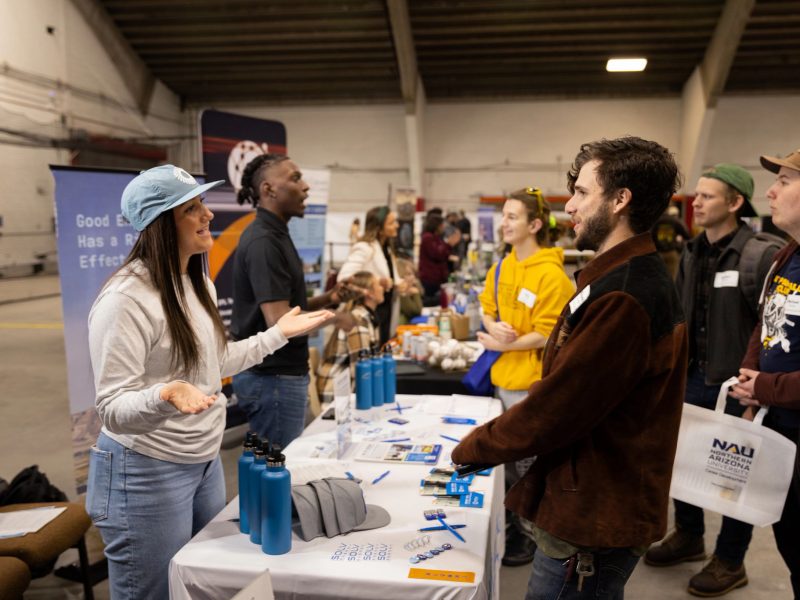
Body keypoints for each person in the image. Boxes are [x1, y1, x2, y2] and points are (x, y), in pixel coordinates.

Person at [451, 136, 688, 599]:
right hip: (588, 495)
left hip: (594, 514)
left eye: (582, 192)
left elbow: (560, 406)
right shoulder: (615, 276)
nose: (570, 207)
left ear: (620, 200)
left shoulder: (624, 294)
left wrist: (473, 449)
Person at [85, 165, 332, 599]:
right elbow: (112, 408)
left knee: (204, 582)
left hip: (202, 460)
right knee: (153, 593)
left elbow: (216, 361)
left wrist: (279, 334)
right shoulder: (124, 300)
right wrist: (166, 394)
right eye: (193, 208)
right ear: (161, 224)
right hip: (143, 470)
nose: (208, 215)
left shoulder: (196, 280)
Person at [645, 164, 781, 596]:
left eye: (706, 196)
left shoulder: (760, 254)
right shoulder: (691, 251)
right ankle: (689, 535)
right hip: (691, 378)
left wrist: (758, 385)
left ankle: (730, 559)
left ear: (735, 203)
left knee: (734, 475)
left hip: (735, 385)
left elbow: (771, 323)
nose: (695, 203)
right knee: (684, 461)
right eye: (696, 195)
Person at [477, 186, 575, 567]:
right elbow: (487, 307)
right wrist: (493, 326)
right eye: (504, 215)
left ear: (535, 224)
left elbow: (552, 333)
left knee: (529, 466)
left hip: (532, 387)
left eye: (512, 216)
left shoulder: (552, 276)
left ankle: (534, 535)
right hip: (500, 383)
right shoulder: (501, 267)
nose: (504, 223)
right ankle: (514, 529)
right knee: (504, 462)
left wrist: (505, 346)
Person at [230, 154, 353, 448]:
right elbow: (279, 322)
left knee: (278, 468)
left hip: (277, 377)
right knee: (279, 469)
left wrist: (328, 299)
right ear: (268, 189)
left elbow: (287, 305)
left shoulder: (276, 235)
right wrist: (337, 317)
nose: (306, 186)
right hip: (272, 379)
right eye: (296, 178)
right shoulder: (264, 242)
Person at [729, 147, 800, 598]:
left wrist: (767, 388)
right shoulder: (786, 256)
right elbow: (765, 320)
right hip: (781, 434)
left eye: (786, 182)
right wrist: (750, 373)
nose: (770, 192)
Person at [337, 206, 404, 345]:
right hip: (370, 309)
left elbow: (391, 277)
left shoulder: (387, 249)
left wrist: (399, 284)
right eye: (391, 223)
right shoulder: (364, 248)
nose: (397, 225)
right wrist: (378, 281)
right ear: (379, 228)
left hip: (386, 308)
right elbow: (345, 277)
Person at [316, 271, 383, 403]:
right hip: (335, 394)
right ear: (369, 293)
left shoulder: (365, 317)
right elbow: (360, 372)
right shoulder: (359, 321)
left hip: (342, 388)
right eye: (378, 285)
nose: (382, 288)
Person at [419, 212, 460, 306]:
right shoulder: (427, 238)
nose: (443, 227)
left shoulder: (435, 237)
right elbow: (437, 254)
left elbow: (443, 253)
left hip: (436, 278)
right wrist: (449, 244)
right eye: (441, 225)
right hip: (429, 278)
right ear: (436, 226)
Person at [395, 256, 423, 325]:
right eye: (409, 274)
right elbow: (415, 311)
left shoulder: (409, 290)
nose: (413, 277)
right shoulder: (400, 293)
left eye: (413, 274)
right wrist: (416, 294)